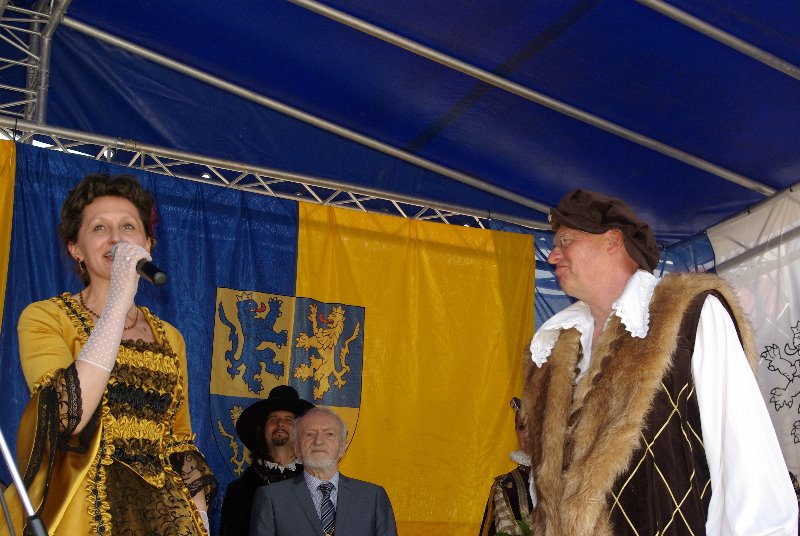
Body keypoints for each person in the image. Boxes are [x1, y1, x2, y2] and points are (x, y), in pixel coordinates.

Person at [524, 189, 798, 535]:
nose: (553, 256)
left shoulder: (689, 315)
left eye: (565, 241)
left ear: (613, 240)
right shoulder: (554, 348)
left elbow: (747, 466)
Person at [0, 174, 217, 535]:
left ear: (147, 244)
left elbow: (179, 440)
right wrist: (118, 299)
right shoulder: (46, 317)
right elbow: (69, 416)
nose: (116, 238)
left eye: (128, 226)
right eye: (99, 227)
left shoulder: (170, 337)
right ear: (76, 249)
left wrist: (200, 521)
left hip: (161, 513)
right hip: (81, 508)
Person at [249, 406, 397, 536]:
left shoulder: (373, 498)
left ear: (343, 447)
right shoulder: (271, 498)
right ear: (297, 448)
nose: (318, 441)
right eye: (309, 434)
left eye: (329, 434)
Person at [220, 385, 314, 536]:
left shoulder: (318, 483)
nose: (280, 424)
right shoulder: (239, 490)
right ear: (262, 430)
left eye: (288, 420)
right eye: (273, 419)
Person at [479, 397, 534, 536]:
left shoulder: (570, 478)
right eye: (522, 427)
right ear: (516, 431)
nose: (528, 433)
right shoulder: (505, 487)